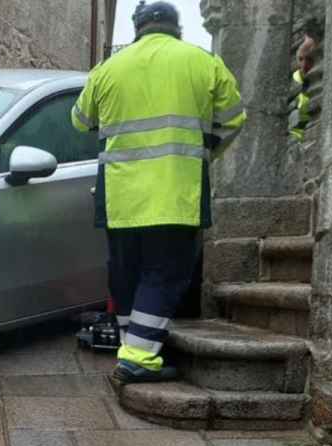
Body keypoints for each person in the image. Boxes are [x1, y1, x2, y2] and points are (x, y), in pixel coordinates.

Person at [72, 0, 247, 384]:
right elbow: (234, 116)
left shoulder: (108, 69)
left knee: (125, 273)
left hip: (119, 193)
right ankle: (138, 357)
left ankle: (130, 346)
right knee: (164, 273)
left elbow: (81, 119)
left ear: (137, 29)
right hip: (176, 190)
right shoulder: (203, 62)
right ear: (175, 28)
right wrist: (206, 150)